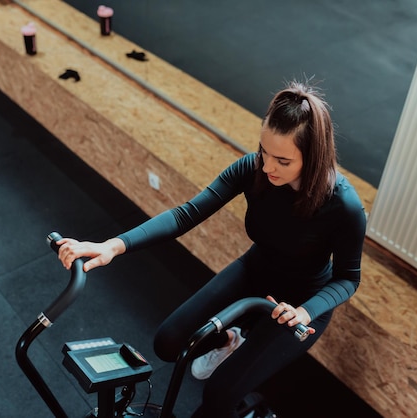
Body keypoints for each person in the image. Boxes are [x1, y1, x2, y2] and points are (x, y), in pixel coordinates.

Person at [57, 80, 367, 417]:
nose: (267, 166)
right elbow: (186, 214)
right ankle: (229, 341)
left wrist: (305, 312)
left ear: (313, 156)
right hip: (256, 271)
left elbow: (348, 279)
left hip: (303, 302)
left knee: (220, 396)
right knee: (168, 342)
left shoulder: (344, 205)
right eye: (263, 150)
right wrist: (113, 246)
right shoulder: (254, 169)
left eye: (282, 160)